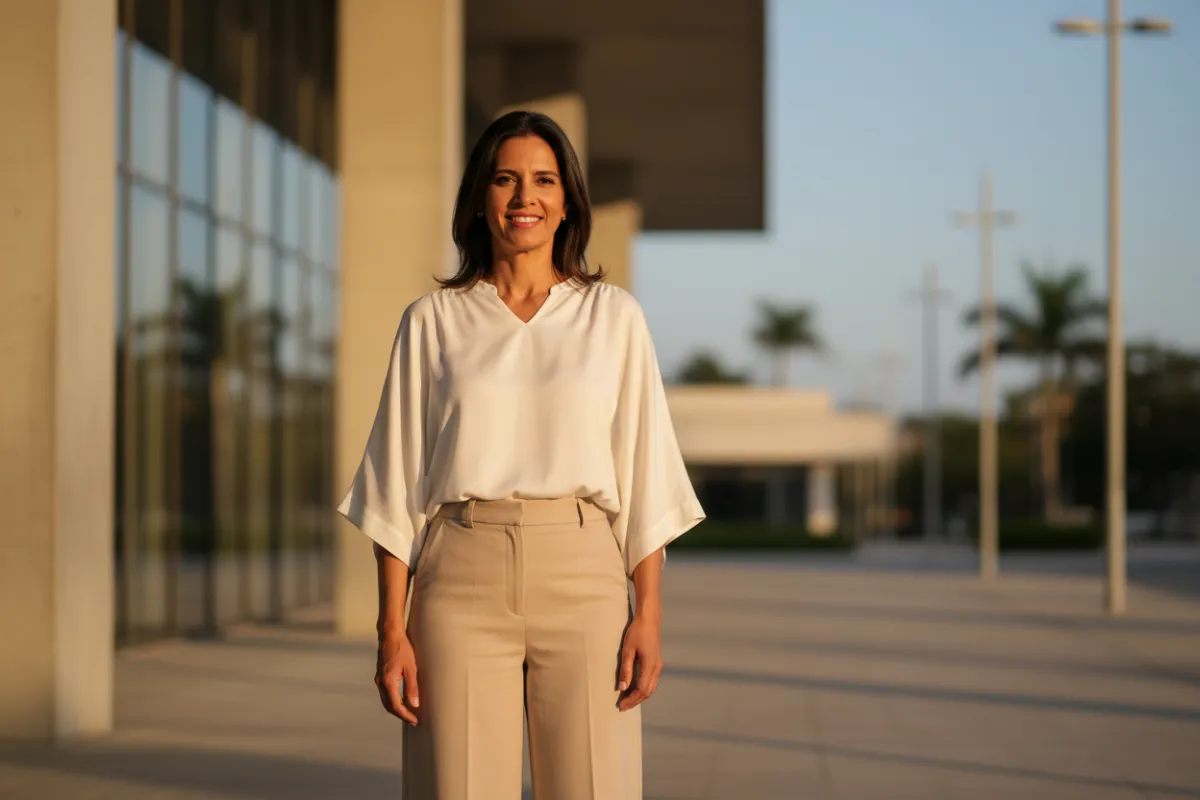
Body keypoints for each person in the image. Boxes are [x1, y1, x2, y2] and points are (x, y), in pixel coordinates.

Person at [337, 110, 705, 799]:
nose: (523, 197)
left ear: (568, 203)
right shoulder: (433, 322)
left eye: (543, 180)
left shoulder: (613, 316)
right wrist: (391, 631)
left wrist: (648, 614)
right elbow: (394, 485)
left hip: (586, 577)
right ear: (480, 198)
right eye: (505, 180)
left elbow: (644, 471)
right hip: (460, 579)